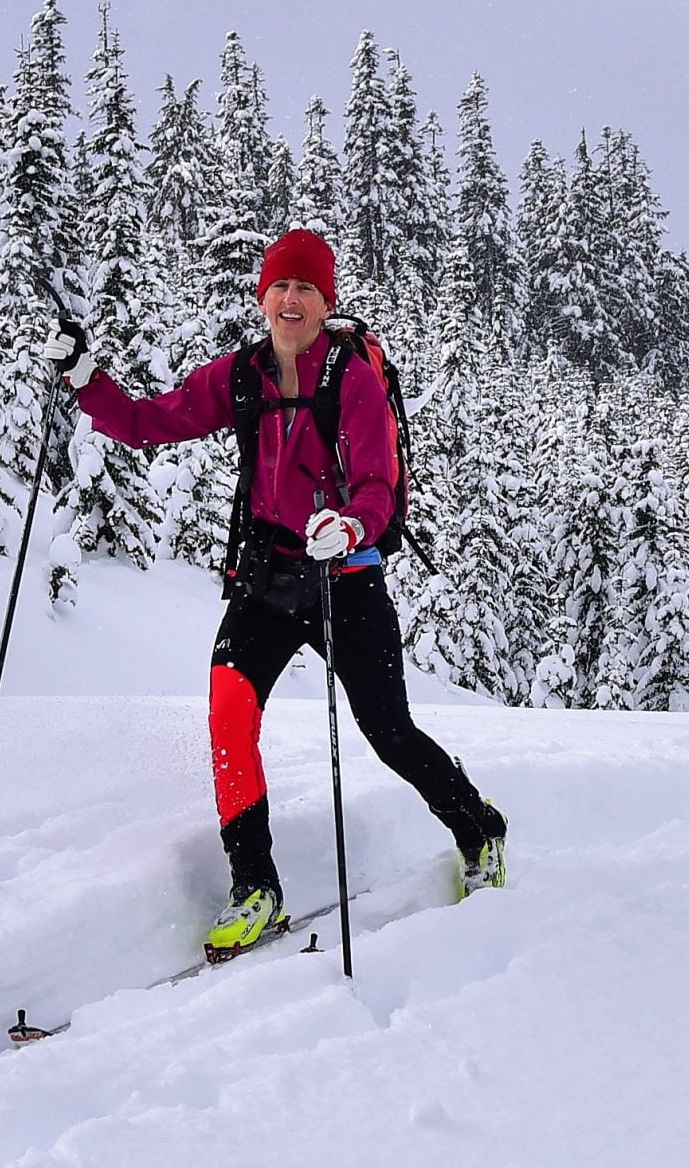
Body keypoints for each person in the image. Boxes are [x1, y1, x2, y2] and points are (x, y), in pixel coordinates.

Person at [54, 228, 508, 959]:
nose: (290, 300)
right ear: (263, 297)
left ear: (326, 304)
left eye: (306, 289)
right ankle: (255, 886)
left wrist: (352, 523)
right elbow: (147, 423)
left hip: (348, 580)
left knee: (388, 730)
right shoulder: (241, 376)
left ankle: (477, 827)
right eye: (280, 287)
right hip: (269, 579)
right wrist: (85, 381)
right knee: (229, 711)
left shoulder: (350, 381)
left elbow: (378, 486)